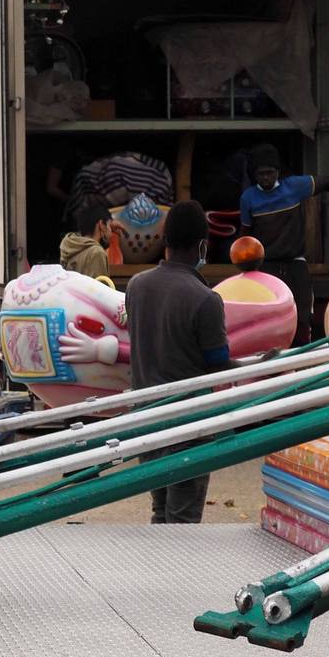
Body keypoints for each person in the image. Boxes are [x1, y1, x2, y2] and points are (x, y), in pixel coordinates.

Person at [125, 200, 233, 524]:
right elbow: (218, 366)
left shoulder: (136, 286)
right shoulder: (205, 300)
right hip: (188, 427)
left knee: (160, 511)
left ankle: (157, 573)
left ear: (165, 240)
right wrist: (264, 365)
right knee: (184, 520)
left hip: (146, 422)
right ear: (203, 244)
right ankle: (175, 576)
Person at [239, 144, 329, 345]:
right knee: (268, 316)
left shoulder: (294, 187)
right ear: (254, 175)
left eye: (270, 173)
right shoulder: (248, 198)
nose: (266, 178)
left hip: (295, 262)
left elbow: (327, 182)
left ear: (278, 172)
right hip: (266, 266)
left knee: (304, 315)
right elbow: (245, 236)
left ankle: (303, 359)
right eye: (261, 174)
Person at [58, 203, 124, 279]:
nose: (111, 232)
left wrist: (107, 226)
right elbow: (100, 288)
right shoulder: (97, 253)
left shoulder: (69, 246)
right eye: (109, 225)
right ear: (101, 224)